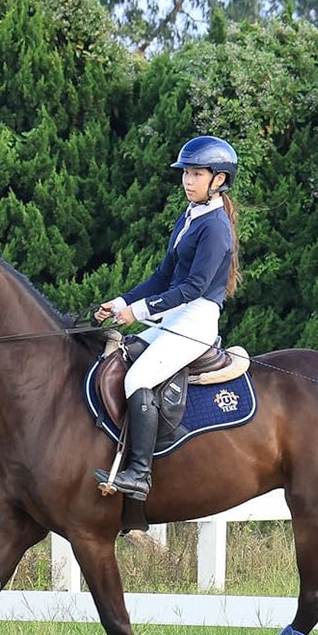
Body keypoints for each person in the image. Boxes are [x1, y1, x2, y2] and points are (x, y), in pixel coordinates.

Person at [92, 135, 242, 499]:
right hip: (175, 318)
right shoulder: (190, 216)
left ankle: (140, 474)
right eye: (185, 173)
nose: (188, 180)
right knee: (120, 358)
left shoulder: (216, 228)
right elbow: (162, 276)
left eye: (196, 174)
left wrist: (137, 312)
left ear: (218, 179)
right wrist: (119, 302)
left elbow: (192, 288)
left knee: (138, 378)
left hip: (195, 322)